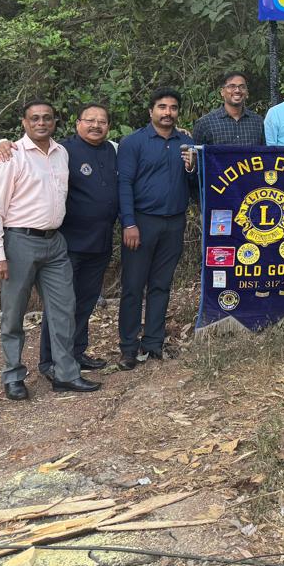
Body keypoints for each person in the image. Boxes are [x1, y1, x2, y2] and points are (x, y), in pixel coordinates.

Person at [0, 100, 100, 399]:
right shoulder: (11, 156)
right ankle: (12, 376)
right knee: (14, 314)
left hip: (55, 242)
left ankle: (65, 374)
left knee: (64, 310)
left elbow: (104, 143)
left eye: (47, 118)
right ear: (24, 123)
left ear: (55, 121)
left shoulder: (62, 154)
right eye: (34, 118)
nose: (41, 123)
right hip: (19, 242)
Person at [117, 88, 194, 369]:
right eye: (162, 107)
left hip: (174, 222)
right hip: (141, 221)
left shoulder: (186, 143)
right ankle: (128, 347)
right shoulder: (133, 142)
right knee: (133, 286)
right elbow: (124, 184)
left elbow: (195, 185)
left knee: (161, 285)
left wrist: (192, 169)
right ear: (151, 111)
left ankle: (153, 342)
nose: (167, 113)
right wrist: (129, 223)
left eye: (173, 108)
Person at [192, 71, 265, 146]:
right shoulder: (205, 124)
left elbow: (265, 155)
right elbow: (196, 156)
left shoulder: (258, 122)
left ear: (247, 92)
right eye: (232, 86)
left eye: (242, 87)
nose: (237, 90)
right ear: (222, 92)